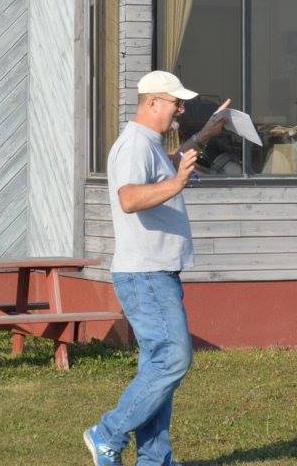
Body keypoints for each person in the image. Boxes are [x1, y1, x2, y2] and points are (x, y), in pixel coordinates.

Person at [84, 70, 229, 466]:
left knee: (158, 366)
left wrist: (205, 136)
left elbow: (163, 166)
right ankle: (107, 433)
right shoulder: (133, 144)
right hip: (145, 273)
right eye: (175, 103)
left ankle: (154, 459)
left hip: (158, 271)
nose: (180, 110)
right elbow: (130, 198)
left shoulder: (148, 144)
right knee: (174, 358)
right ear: (152, 102)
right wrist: (177, 183)